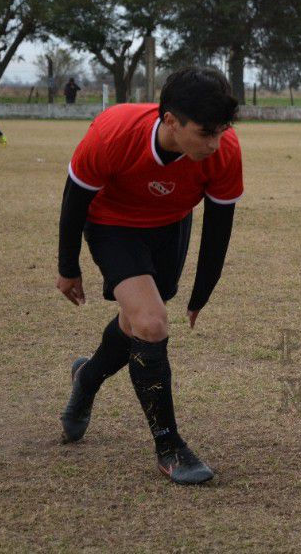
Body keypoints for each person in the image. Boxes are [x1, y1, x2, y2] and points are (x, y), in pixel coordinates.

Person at [56, 67, 243, 485]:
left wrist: (201, 293)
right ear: (171, 121)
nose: (216, 143)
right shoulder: (114, 132)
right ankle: (169, 446)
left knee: (137, 322)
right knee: (152, 323)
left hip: (170, 227)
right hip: (112, 225)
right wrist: (68, 267)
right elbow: (74, 199)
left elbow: (218, 227)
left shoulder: (223, 148)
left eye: (222, 131)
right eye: (206, 133)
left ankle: (87, 377)